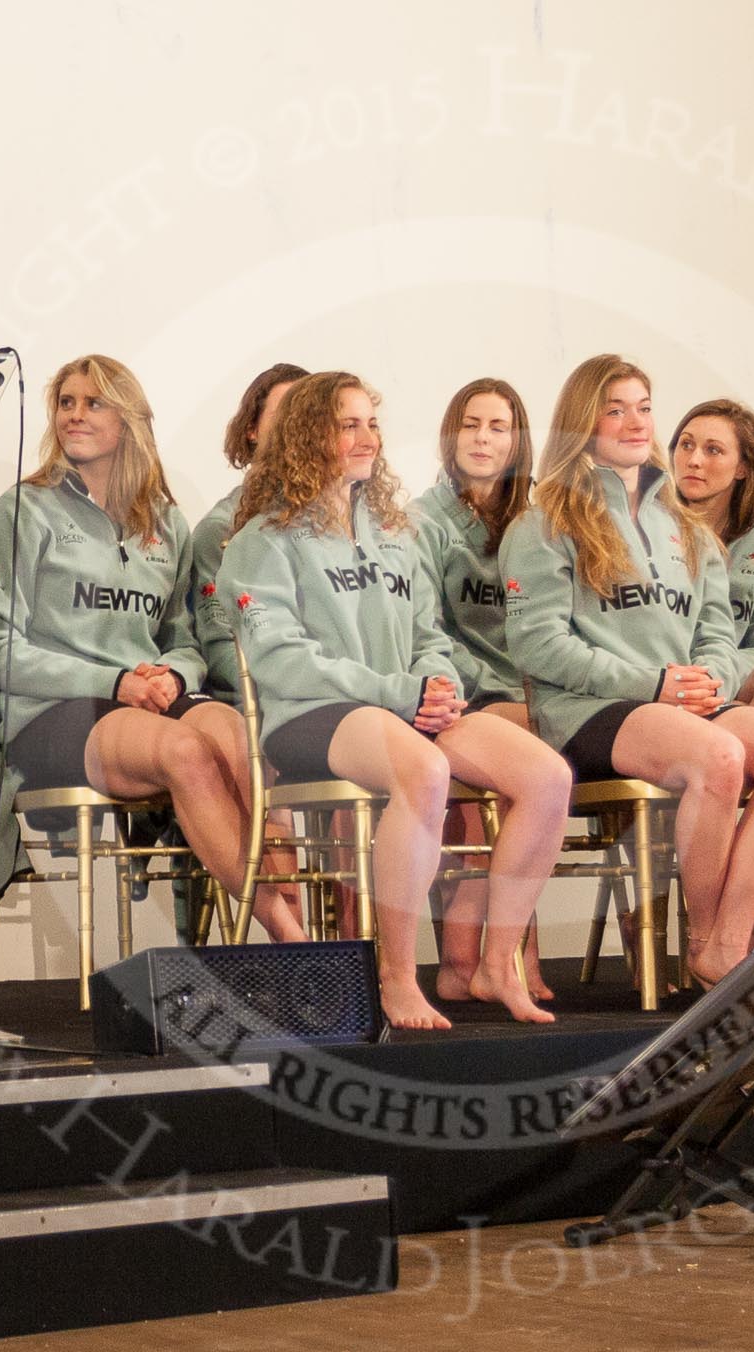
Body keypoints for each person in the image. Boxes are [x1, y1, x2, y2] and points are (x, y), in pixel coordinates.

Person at [220, 372, 572, 1029]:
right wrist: (398, 694)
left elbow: (426, 635)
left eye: (371, 423)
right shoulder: (261, 542)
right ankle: (398, 977)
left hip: (404, 706)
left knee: (546, 777)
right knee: (425, 770)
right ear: (305, 437)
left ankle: (499, 962)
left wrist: (436, 685)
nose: (366, 437)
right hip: (310, 716)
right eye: (347, 424)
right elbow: (284, 661)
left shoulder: (392, 533)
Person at [501, 355, 754, 989]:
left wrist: (710, 679)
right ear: (582, 423)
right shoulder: (545, 522)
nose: (634, 421)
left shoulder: (686, 527)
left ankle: (729, 938)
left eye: (643, 407)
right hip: (587, 712)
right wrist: (654, 684)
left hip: (680, 705)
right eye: (614, 409)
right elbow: (539, 647)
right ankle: (706, 943)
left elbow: (718, 634)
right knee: (721, 757)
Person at [0, 356, 296, 946]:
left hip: (145, 697)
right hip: (53, 713)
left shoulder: (165, 520)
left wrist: (172, 672)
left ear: (130, 421)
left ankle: (310, 944)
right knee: (188, 753)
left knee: (247, 740)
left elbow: (183, 639)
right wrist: (115, 681)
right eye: (67, 402)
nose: (76, 414)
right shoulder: (24, 508)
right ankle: (292, 941)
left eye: (95, 403)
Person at [411, 378, 555, 1004]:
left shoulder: (538, 521)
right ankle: (479, 957)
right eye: (471, 424)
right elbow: (426, 627)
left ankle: (497, 951)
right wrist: (470, 688)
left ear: (518, 442)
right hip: (466, 694)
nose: (482, 438)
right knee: (504, 764)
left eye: (498, 427)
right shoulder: (423, 520)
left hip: (534, 693)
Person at [190, 364, 307, 704]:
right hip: (266, 707)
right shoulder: (220, 530)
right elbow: (222, 650)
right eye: (283, 413)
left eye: (306, 416)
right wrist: (302, 692)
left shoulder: (343, 523)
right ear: (252, 429)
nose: (295, 428)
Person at [670, 398, 754, 716]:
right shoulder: (644, 531)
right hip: (665, 682)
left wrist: (712, 678)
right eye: (685, 445)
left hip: (731, 686)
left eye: (713, 450)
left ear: (742, 467)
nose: (694, 460)